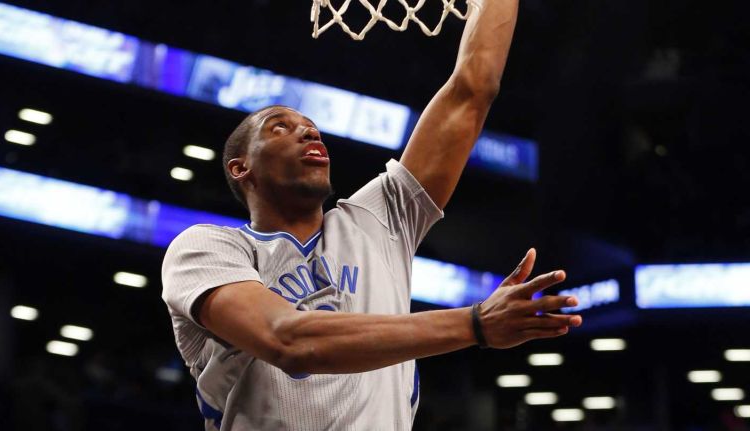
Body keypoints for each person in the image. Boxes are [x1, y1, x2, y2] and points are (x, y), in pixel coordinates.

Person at [161, 0, 582, 429]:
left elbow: (471, 91)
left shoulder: (379, 221)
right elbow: (286, 339)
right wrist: (474, 323)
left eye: (312, 127)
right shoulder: (205, 250)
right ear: (240, 168)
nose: (308, 131)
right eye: (280, 127)